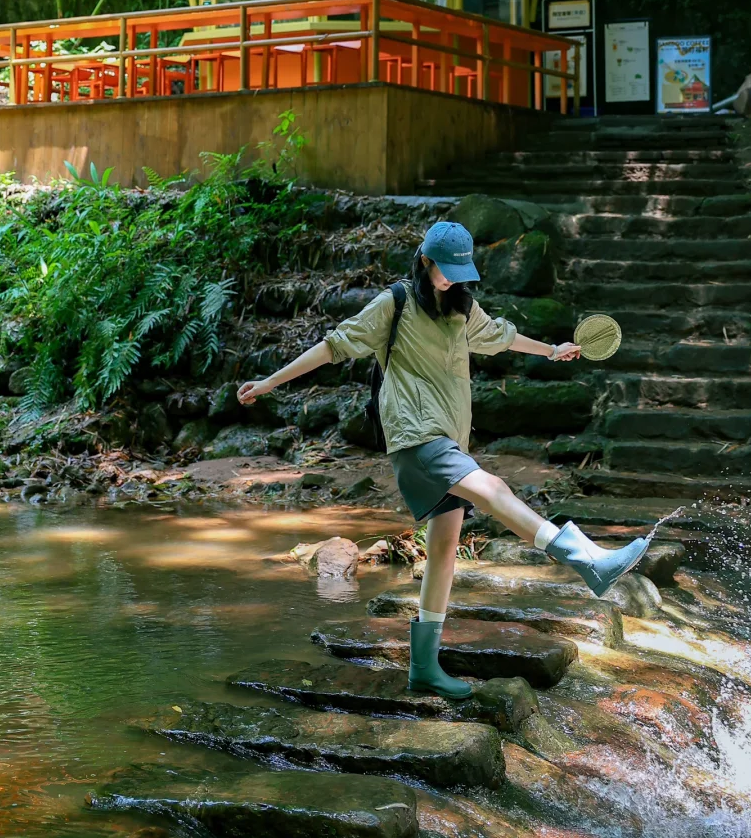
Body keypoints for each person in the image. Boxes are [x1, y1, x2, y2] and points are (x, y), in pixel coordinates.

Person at [238, 220, 654, 701]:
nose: (451, 280)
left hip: (449, 442)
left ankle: (423, 668)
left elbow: (500, 336)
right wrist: (269, 382)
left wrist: (551, 350)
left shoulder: (462, 308)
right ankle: (585, 559)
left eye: (460, 273)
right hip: (416, 439)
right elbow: (333, 346)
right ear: (424, 260)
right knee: (494, 488)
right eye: (444, 271)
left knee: (442, 550)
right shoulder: (394, 303)